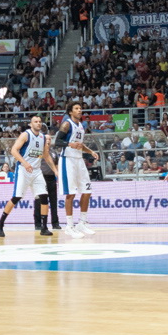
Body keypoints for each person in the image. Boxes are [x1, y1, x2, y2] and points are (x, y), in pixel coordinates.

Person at [0, 114, 54, 237]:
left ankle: (44, 227)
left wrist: (55, 170)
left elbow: (46, 155)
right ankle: (0, 224)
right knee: (16, 197)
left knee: (44, 197)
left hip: (36, 171)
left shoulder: (43, 137)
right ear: (30, 124)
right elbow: (14, 150)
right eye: (35, 121)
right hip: (23, 169)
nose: (38, 123)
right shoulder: (26, 135)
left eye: (40, 121)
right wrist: (25, 163)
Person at [55, 102, 100, 238]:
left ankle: (82, 222)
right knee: (71, 194)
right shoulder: (66, 124)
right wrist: (70, 144)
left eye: (80, 108)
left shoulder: (81, 126)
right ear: (70, 112)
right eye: (76, 108)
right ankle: (69, 226)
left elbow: (79, 144)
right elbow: (57, 142)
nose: (80, 110)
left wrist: (90, 151)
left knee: (87, 191)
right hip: (67, 160)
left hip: (79, 159)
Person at [37, 120, 62, 230]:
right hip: (41, 179)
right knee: (40, 201)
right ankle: (39, 224)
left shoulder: (53, 152)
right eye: (46, 139)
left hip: (51, 178)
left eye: (50, 139)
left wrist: (58, 176)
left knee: (53, 201)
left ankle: (55, 223)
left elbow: (56, 165)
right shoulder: (39, 151)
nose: (48, 141)